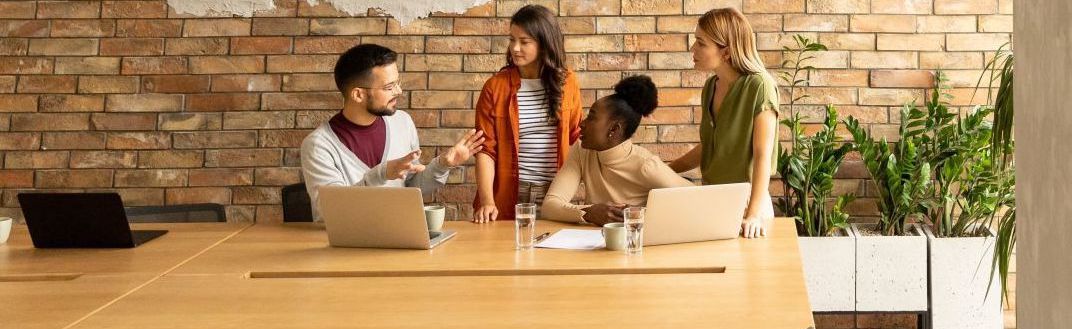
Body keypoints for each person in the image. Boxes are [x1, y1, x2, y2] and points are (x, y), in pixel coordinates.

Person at [301, 44, 484, 221]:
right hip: (345, 249)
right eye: (389, 87)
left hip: (401, 240)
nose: (399, 91)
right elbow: (332, 212)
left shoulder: (402, 122)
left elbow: (412, 187)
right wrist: (381, 174)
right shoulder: (319, 145)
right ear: (358, 95)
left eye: (398, 83)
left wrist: (443, 165)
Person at [667, 8, 779, 238]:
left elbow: (762, 155)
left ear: (726, 52)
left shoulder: (760, 87)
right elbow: (709, 145)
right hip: (712, 198)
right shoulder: (710, 87)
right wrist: (663, 170)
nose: (692, 49)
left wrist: (754, 214)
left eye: (700, 43)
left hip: (749, 202)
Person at [472, 4, 583, 223]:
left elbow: (577, 138)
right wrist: (487, 201)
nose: (515, 48)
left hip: (555, 193)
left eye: (524, 42)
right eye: (512, 39)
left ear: (544, 45)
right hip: (509, 193)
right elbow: (485, 150)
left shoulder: (568, 83)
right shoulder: (495, 87)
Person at [541, 76, 693, 226]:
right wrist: (589, 212)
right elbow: (549, 207)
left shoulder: (646, 165)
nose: (582, 124)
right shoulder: (581, 150)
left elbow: (696, 198)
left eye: (592, 117)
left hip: (632, 245)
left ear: (613, 129)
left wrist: (643, 214)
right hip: (589, 246)